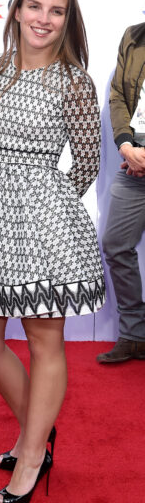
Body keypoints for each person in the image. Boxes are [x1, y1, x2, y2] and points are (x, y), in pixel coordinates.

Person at [0, 0, 105, 503]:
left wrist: (47, 204)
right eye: (34, 6)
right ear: (16, 10)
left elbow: (87, 162)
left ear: (68, 21)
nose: (44, 18)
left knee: (45, 343)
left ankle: (31, 452)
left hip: (45, 227)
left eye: (56, 10)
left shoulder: (75, 83)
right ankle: (37, 435)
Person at [97, 23, 145, 363]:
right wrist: (126, 145)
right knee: (115, 244)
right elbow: (117, 94)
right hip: (134, 159)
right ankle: (134, 334)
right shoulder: (134, 36)